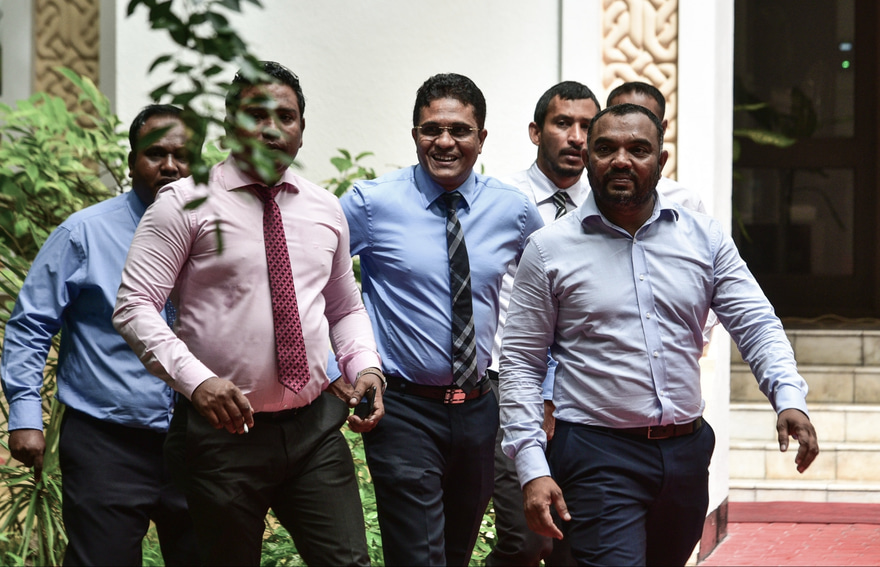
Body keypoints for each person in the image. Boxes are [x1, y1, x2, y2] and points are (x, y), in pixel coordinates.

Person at [499, 103, 819, 566]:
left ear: (662, 160)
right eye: (606, 149)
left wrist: (788, 397)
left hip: (686, 453)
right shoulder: (549, 249)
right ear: (588, 158)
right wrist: (531, 467)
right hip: (596, 454)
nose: (621, 160)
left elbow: (755, 322)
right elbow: (521, 364)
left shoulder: (704, 238)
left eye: (638, 149)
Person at [112, 61, 385, 566]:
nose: (271, 129)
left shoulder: (325, 208)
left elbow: (344, 306)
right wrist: (197, 381)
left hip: (314, 428)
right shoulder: (183, 204)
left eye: (286, 117)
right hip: (224, 435)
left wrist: (364, 366)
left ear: (301, 129)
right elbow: (134, 306)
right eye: (256, 115)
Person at [340, 73, 543, 566]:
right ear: (415, 135)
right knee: (418, 556)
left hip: (479, 409)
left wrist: (549, 382)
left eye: (460, 130)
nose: (445, 142)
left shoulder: (513, 210)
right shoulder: (371, 204)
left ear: (482, 138)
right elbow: (313, 285)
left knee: (455, 553)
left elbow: (551, 298)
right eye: (432, 129)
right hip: (403, 409)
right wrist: (337, 369)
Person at [1, 104, 199, 566]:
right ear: (131, 162)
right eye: (156, 154)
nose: (170, 166)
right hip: (106, 444)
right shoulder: (83, 234)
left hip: (199, 440)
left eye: (183, 156)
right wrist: (26, 416)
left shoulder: (219, 236)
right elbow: (31, 325)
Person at [486, 80, 600, 567]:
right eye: (563, 123)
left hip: (582, 394)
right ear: (536, 132)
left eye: (587, 126)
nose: (576, 137)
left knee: (573, 542)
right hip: (508, 381)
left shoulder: (607, 206)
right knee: (526, 539)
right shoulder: (498, 200)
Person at [606, 81, 705, 213]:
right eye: (622, 117)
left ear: (662, 129)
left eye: (643, 121)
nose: (631, 126)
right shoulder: (584, 199)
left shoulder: (686, 204)